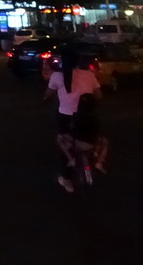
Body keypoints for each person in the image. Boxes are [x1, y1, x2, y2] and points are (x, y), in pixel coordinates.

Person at [44, 47, 102, 192]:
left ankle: (67, 178)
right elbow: (99, 96)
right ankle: (95, 158)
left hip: (66, 116)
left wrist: (45, 98)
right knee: (92, 139)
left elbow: (48, 94)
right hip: (86, 116)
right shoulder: (89, 75)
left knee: (65, 143)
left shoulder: (57, 76)